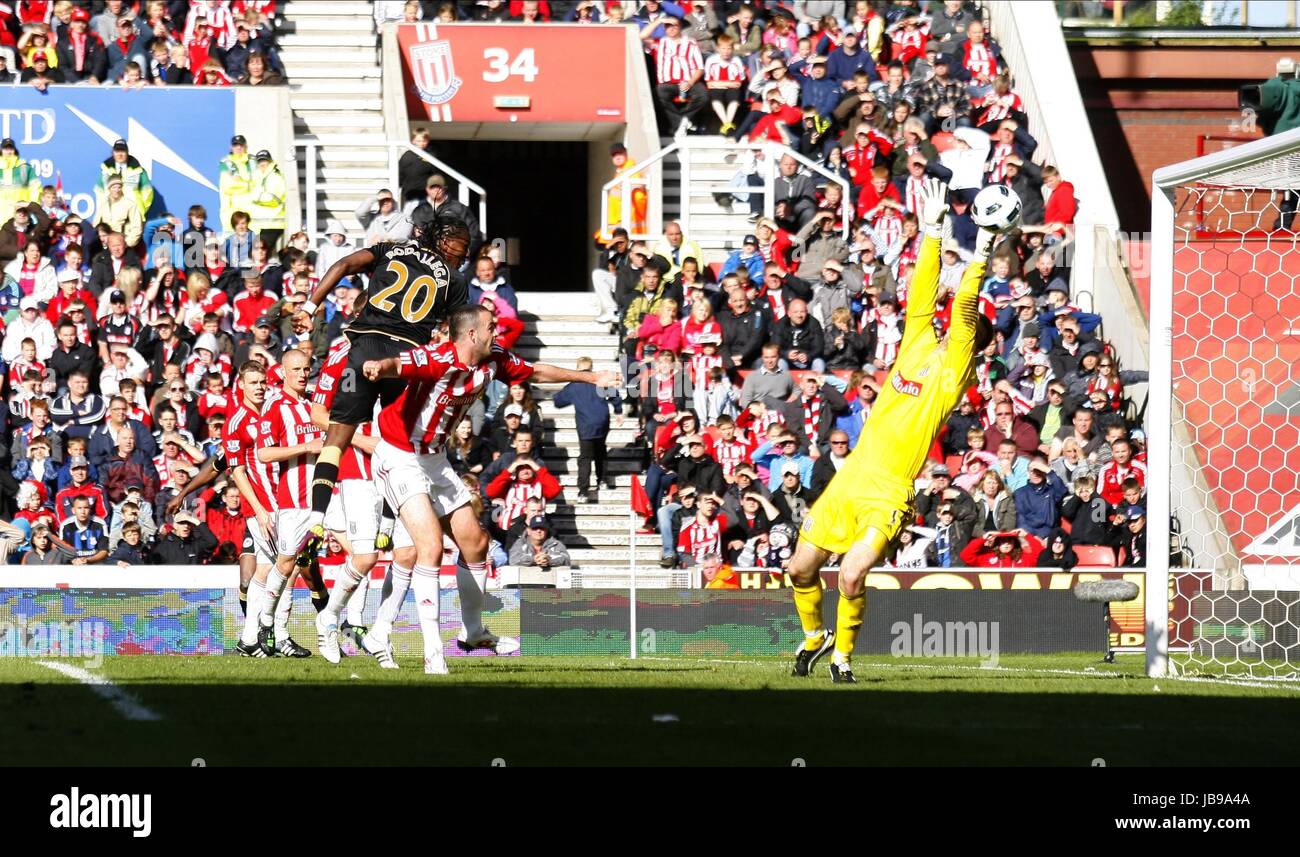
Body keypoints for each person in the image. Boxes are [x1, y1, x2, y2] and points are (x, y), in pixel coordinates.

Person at [788, 178, 998, 683]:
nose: (951, 327)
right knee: (799, 569)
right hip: (852, 477)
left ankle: (842, 658)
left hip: (889, 491)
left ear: (972, 347)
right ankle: (814, 636)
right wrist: (930, 232)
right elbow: (924, 295)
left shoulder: (954, 376)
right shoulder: (919, 346)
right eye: (950, 327)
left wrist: (983, 250)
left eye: (963, 333)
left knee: (853, 573)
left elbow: (966, 308)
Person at [359, 304, 616, 673]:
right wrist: (377, 367)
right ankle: (433, 653)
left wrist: (591, 379)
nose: (497, 332)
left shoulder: (493, 358)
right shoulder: (438, 358)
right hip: (398, 454)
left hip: (434, 458)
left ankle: (472, 631)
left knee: (476, 542)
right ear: (472, 335)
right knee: (428, 547)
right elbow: (399, 363)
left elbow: (536, 371)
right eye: (491, 327)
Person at [295, 212, 473, 553]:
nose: (463, 255)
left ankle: (316, 517)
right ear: (444, 240)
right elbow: (463, 329)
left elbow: (345, 264)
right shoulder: (454, 279)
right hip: (404, 364)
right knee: (402, 443)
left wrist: (310, 305)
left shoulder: (390, 250)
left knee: (336, 436)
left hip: (362, 352)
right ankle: (388, 525)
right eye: (461, 247)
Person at [239, 349, 321, 659]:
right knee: (285, 566)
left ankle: (263, 633)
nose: (302, 373)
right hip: (289, 501)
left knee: (296, 566)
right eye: (296, 369)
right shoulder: (275, 407)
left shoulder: (314, 405)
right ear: (284, 373)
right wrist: (306, 446)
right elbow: (263, 453)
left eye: (306, 368)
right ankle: (269, 629)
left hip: (321, 498)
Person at [552, 356, 623, 503]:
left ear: (578, 369)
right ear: (591, 368)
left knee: (585, 457)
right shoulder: (598, 381)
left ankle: (583, 491)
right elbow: (615, 395)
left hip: (585, 425)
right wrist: (618, 411)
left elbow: (558, 402)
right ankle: (602, 480)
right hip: (602, 421)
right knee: (600, 451)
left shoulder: (574, 385)